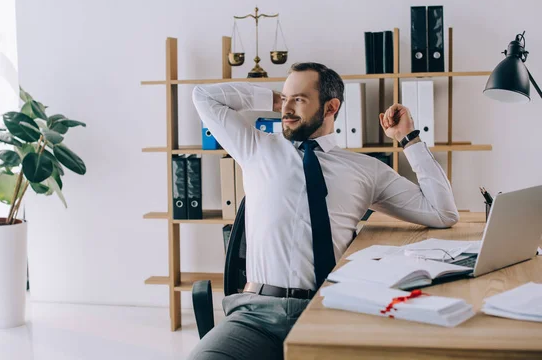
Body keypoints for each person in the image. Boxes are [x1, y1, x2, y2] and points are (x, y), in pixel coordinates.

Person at [188, 62, 459, 360]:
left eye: (300, 99)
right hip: (256, 316)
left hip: (330, 307)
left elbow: (442, 212)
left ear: (331, 107)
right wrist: (278, 100)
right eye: (285, 99)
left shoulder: (365, 170)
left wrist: (409, 139)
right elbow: (203, 96)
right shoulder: (255, 147)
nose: (287, 109)